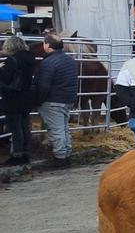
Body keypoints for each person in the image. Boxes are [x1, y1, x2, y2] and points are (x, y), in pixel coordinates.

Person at [34, 34, 78, 167]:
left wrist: (38, 100)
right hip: (67, 99)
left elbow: (44, 85)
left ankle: (60, 158)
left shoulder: (47, 63)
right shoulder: (70, 60)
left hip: (53, 100)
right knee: (64, 128)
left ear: (47, 45)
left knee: (57, 130)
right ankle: (66, 154)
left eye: (44, 43)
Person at [0, 35, 37, 166]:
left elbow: (6, 78)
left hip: (13, 99)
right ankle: (26, 153)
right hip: (26, 97)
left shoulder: (12, 60)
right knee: (25, 126)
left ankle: (17, 155)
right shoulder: (30, 59)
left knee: (16, 128)